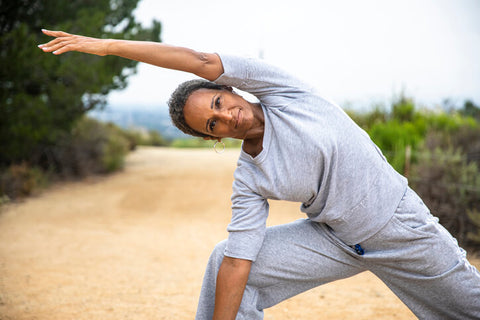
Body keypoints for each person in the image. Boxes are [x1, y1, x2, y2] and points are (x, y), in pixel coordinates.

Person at [39, 29, 480, 319]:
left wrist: (109, 47)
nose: (225, 116)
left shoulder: (284, 92)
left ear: (228, 88)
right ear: (213, 138)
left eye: (216, 103)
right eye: (211, 124)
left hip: (399, 226)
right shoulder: (250, 176)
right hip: (336, 239)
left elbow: (194, 58)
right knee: (223, 260)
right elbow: (239, 259)